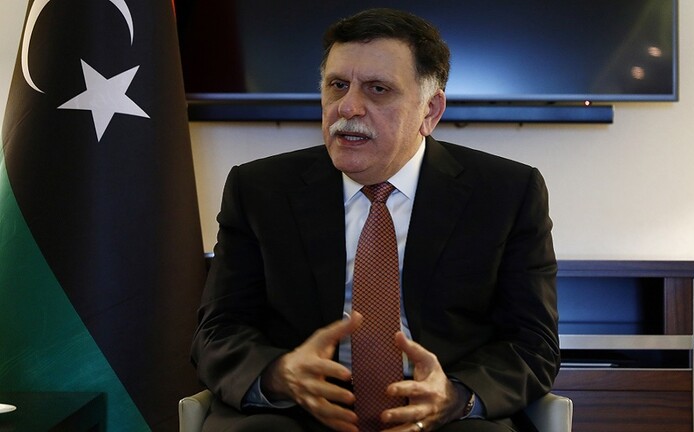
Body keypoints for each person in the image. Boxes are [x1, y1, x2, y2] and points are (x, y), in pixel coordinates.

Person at [191, 8, 559, 432]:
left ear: (430, 110)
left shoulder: (506, 193)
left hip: (442, 415)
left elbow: (533, 343)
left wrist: (456, 396)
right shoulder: (260, 189)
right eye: (337, 85)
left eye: (378, 89)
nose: (348, 107)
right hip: (297, 411)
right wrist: (280, 374)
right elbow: (217, 331)